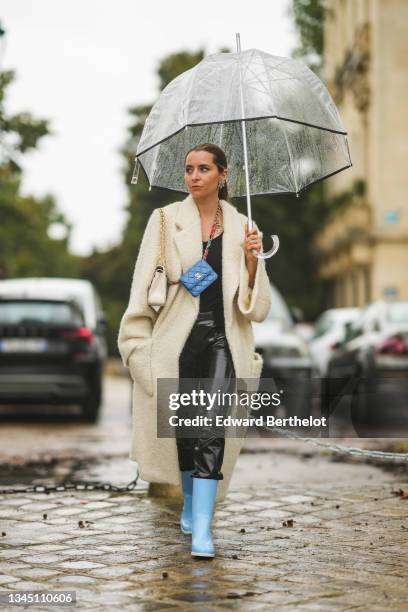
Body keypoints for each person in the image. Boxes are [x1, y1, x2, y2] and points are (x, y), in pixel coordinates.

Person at [118, 143, 271, 558]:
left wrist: (253, 260)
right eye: (189, 169)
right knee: (185, 431)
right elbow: (140, 289)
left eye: (204, 168)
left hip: (223, 339)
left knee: (210, 429)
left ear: (223, 174)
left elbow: (256, 307)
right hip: (176, 340)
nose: (194, 176)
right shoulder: (165, 220)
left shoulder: (243, 226)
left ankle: (203, 526)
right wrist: (136, 347)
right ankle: (189, 502)